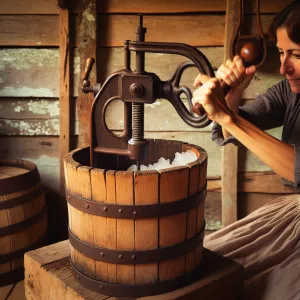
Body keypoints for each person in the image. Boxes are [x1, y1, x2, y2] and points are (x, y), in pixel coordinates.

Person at [192, 1, 300, 300]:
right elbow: (236, 131)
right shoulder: (290, 92)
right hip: (295, 213)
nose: (283, 67)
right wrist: (232, 92)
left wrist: (226, 115)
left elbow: (297, 169)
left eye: (297, 55)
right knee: (211, 266)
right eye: (281, 52)